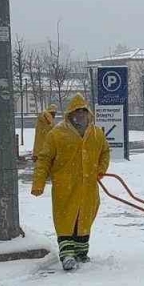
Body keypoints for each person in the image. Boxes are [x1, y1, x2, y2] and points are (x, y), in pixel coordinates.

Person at [31, 94, 109, 271]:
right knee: (66, 221)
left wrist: (100, 169)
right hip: (64, 187)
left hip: (88, 188)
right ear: (70, 114)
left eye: (83, 111)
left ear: (88, 113)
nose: (80, 115)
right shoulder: (57, 134)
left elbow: (105, 152)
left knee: (84, 220)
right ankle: (67, 255)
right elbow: (44, 159)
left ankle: (81, 253)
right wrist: (38, 183)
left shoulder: (96, 134)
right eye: (77, 111)